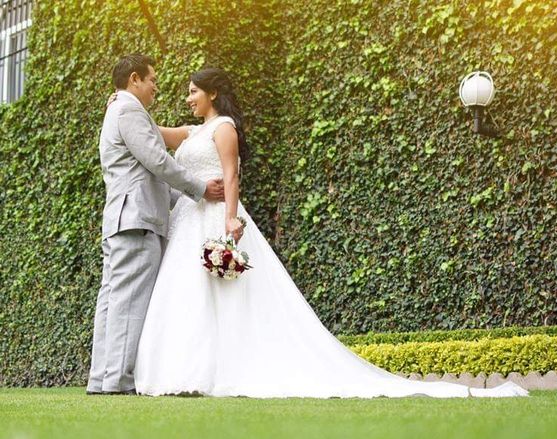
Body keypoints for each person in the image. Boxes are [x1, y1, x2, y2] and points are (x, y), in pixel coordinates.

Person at [131, 66, 528, 399]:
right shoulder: (192, 132)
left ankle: (215, 370)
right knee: (185, 294)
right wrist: (126, 103)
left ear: (213, 93)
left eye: (193, 92)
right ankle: (182, 371)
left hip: (216, 215)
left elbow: (232, 175)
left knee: (224, 297)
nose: (188, 98)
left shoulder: (224, 128)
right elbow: (152, 131)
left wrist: (231, 220)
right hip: (187, 219)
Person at [87, 55, 226, 395]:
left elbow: (151, 162)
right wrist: (199, 188)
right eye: (152, 81)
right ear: (135, 79)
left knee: (112, 298)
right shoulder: (129, 110)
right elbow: (156, 159)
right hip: (136, 218)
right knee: (128, 300)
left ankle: (101, 378)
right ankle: (118, 380)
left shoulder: (119, 108)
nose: (155, 88)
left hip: (122, 217)